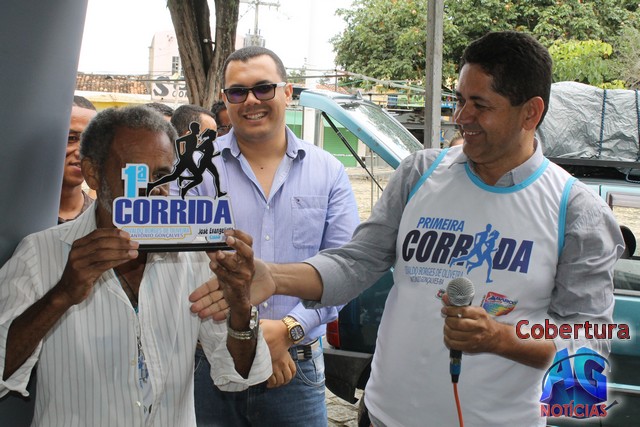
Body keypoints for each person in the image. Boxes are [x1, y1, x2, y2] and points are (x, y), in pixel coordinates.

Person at [195, 32, 624, 427]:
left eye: (480, 105)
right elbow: (356, 262)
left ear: (531, 112)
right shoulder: (421, 173)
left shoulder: (576, 211)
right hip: (383, 416)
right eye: (459, 100)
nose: (462, 117)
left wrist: (501, 339)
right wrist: (274, 277)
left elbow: (588, 350)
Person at [0, 105, 271, 426]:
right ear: (93, 173)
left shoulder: (196, 255)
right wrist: (61, 294)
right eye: (135, 174)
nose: (153, 189)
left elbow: (239, 373)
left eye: (162, 175)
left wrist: (240, 303)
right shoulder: (41, 253)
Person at [181, 46, 359, 426]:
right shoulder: (195, 172)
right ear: (225, 99)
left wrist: (288, 331)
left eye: (263, 88)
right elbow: (185, 268)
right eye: (237, 92)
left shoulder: (329, 172)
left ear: (287, 92)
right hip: (211, 361)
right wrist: (251, 339)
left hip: (296, 367)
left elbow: (344, 269)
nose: (251, 101)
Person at [58, 95, 97, 224]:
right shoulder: (18, 214)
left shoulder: (103, 220)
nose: (82, 152)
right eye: (71, 138)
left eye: (91, 141)